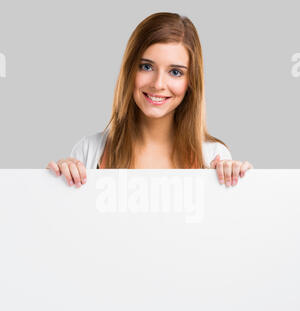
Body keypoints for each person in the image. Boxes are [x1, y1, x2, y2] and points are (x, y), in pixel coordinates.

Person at [47, 12, 253, 188]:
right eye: (146, 66)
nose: (158, 84)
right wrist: (55, 185)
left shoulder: (213, 156)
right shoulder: (89, 151)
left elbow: (223, 230)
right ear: (129, 70)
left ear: (191, 81)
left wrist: (235, 185)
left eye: (175, 72)